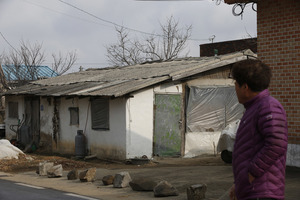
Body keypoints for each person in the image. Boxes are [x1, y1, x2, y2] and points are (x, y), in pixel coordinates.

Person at [229, 59, 288, 200]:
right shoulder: (255, 107)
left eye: (236, 84)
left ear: (245, 87)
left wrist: (251, 174)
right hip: (253, 189)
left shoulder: (268, 107)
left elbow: (276, 144)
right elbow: (250, 150)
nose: (235, 88)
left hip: (262, 192)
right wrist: (239, 184)